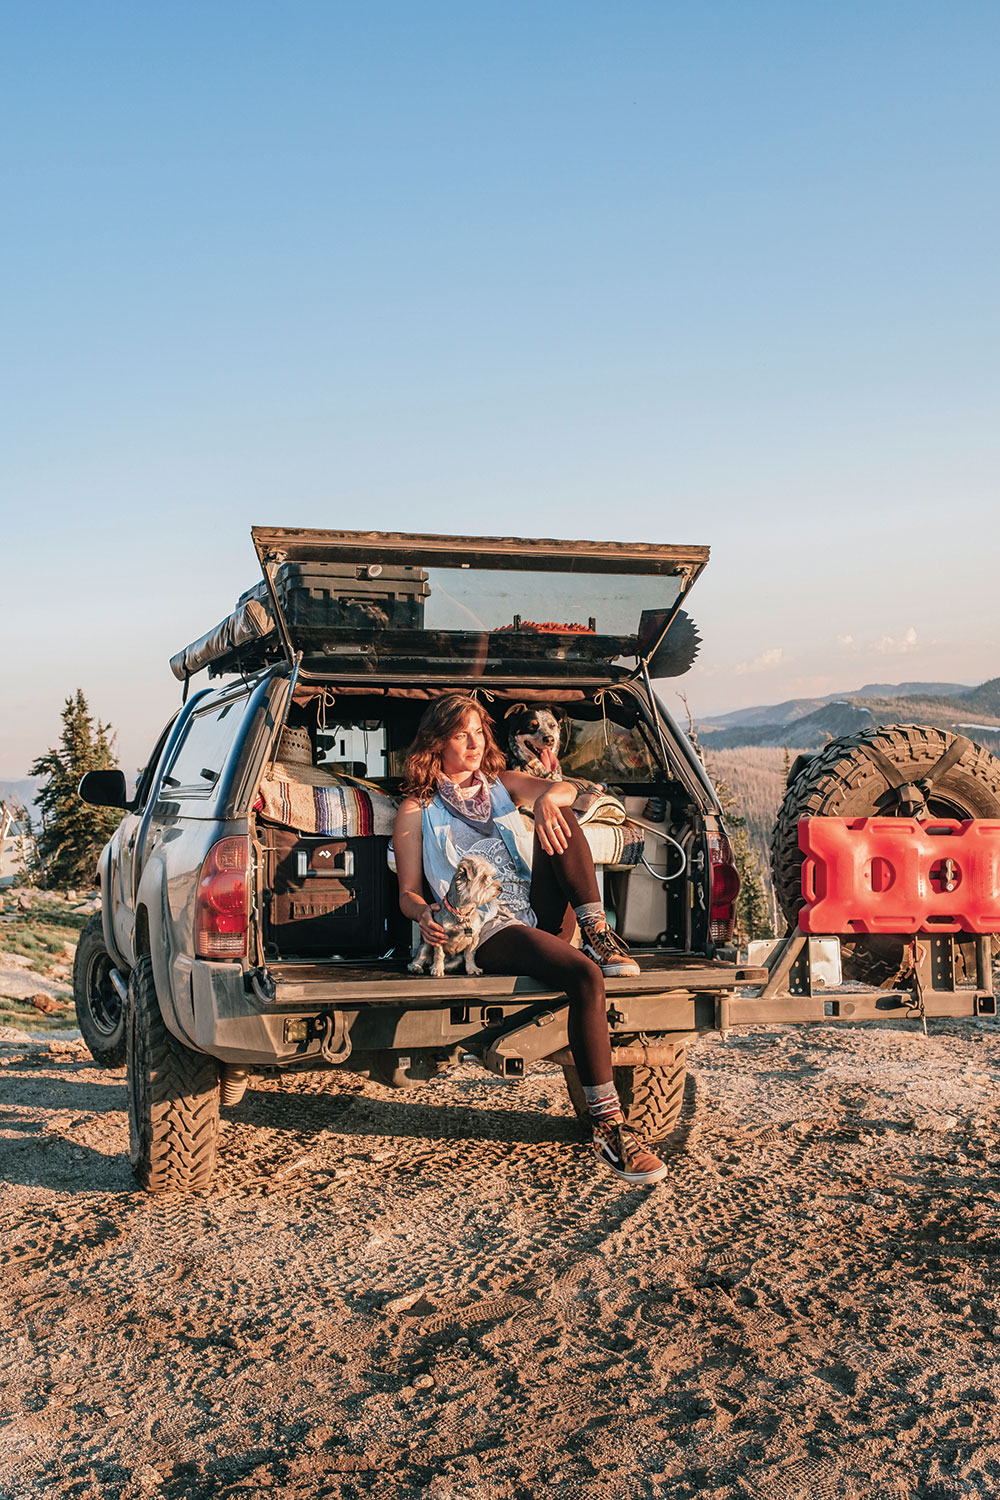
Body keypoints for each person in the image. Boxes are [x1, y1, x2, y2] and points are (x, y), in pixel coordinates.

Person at [392, 693, 668, 1186]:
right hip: (490, 929)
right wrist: (423, 914)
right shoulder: (418, 808)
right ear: (437, 742)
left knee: (560, 816)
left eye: (479, 731)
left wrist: (544, 800)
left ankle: (599, 933)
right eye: (461, 734)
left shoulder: (501, 786)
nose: (474, 743)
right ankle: (608, 1129)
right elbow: (408, 892)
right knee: (583, 977)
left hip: (538, 909)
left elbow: (573, 790)